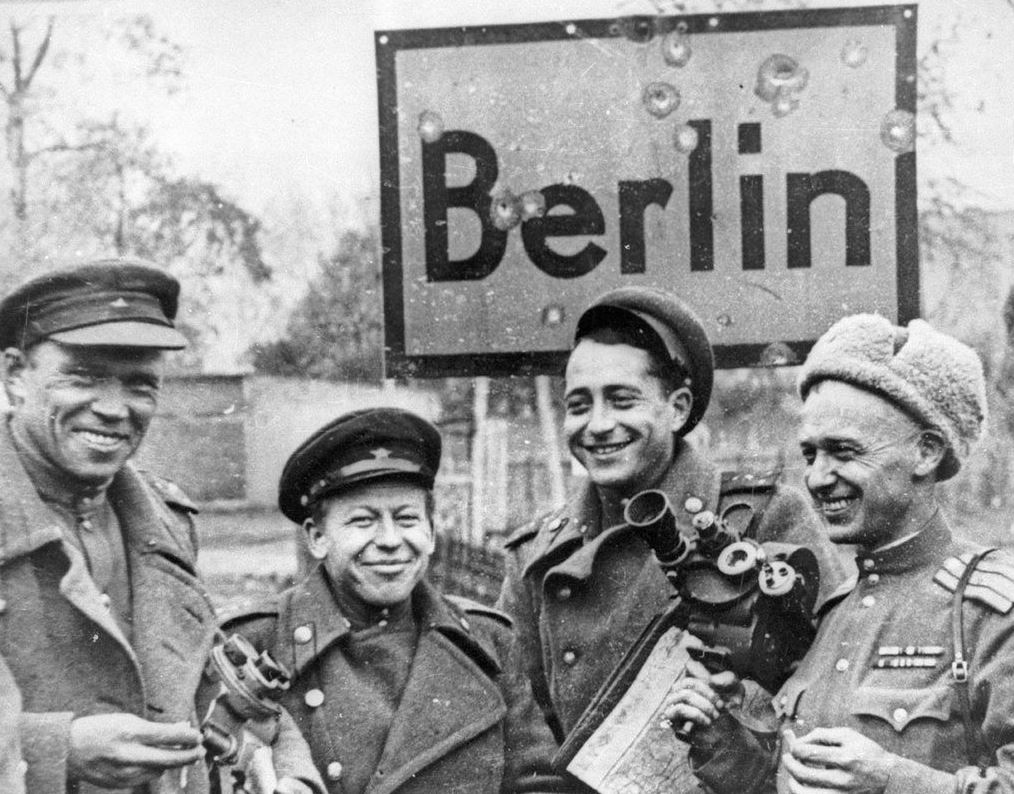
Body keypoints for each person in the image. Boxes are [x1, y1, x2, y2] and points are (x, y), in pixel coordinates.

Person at [0, 260, 321, 794]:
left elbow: (214, 690)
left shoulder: (163, 521)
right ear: (15, 375)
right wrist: (56, 752)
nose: (114, 408)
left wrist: (289, 772)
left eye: (140, 385)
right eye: (82, 377)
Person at [665, 313, 1014, 793]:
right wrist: (722, 740)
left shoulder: (987, 614)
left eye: (845, 452)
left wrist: (893, 780)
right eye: (810, 455)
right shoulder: (835, 608)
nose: (817, 478)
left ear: (926, 453)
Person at [496, 285, 846, 740]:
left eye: (622, 400)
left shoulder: (764, 515)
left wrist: (739, 712)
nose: (598, 425)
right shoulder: (536, 556)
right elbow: (519, 732)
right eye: (579, 406)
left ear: (677, 409)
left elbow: (831, 684)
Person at [223, 407, 575, 794]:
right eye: (363, 520)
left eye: (407, 519)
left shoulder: (485, 643)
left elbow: (538, 785)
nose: (391, 540)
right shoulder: (257, 646)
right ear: (317, 538)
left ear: (432, 532)